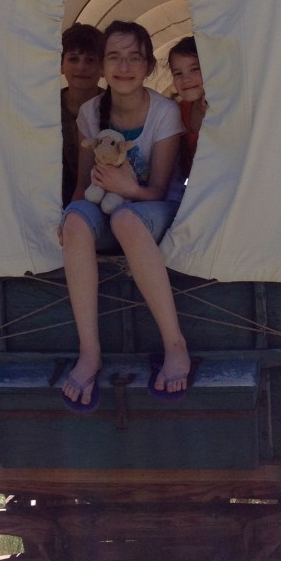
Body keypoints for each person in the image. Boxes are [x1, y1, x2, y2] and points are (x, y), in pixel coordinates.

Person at [60, 20, 191, 411]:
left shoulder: (164, 112)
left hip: (155, 210)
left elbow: (158, 189)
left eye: (135, 57)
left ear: (149, 66)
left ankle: (175, 345)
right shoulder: (90, 112)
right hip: (109, 205)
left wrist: (126, 187)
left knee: (125, 219)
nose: (124, 66)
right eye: (114, 57)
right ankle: (90, 352)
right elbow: (84, 186)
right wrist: (68, 217)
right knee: (76, 220)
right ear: (103, 66)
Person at [60, 23, 104, 207]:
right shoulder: (45, 108)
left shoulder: (113, 107)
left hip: (100, 201)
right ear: (61, 65)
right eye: (73, 59)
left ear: (103, 68)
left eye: (90, 60)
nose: (81, 67)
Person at [167, 36, 206, 181]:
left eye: (194, 69)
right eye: (178, 73)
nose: (185, 79)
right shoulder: (178, 111)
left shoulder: (225, 107)